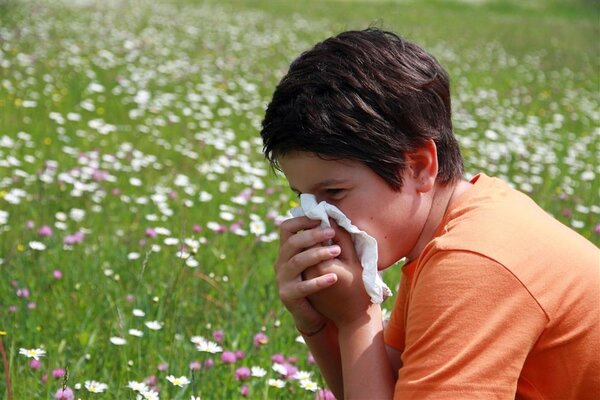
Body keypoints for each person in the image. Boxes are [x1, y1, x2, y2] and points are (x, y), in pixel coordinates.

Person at [260, 28, 600, 399]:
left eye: (335, 192)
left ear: (420, 167)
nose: (320, 216)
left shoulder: (471, 261)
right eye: (303, 197)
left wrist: (357, 317)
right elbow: (387, 389)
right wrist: (320, 324)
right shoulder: (448, 229)